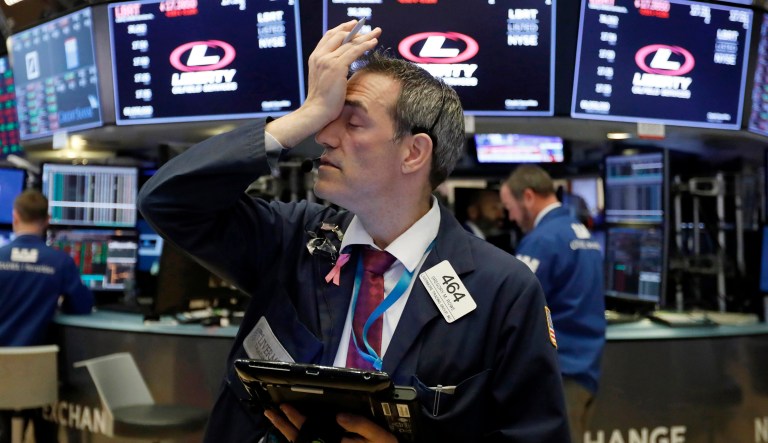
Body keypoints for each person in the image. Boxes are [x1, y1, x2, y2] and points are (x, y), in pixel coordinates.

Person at [139, 21, 570, 443]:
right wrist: (304, 113)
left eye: (352, 121)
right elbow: (168, 202)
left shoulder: (504, 291)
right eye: (327, 117)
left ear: (414, 153)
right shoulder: (293, 240)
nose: (324, 135)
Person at [499, 165, 606, 443]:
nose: (510, 217)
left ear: (529, 197)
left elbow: (510, 306)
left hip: (559, 373)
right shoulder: (579, 231)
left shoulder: (542, 241)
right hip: (585, 367)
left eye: (510, 207)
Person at [0, 189, 94, 443]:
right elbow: (82, 306)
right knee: (44, 419)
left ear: (15, 216)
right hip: (37, 382)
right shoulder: (59, 262)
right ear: (47, 219)